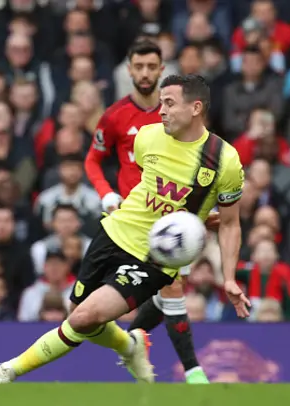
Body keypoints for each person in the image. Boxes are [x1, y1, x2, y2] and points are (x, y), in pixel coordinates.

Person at [0, 74, 251, 384]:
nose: (161, 111)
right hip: (113, 233)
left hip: (154, 257)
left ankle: (7, 372)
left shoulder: (224, 161)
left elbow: (230, 223)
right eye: (161, 102)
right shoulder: (148, 137)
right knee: (79, 314)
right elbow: (151, 192)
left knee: (82, 319)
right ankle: (130, 345)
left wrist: (228, 277)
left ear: (196, 107)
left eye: (170, 103)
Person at [86, 40, 210, 384]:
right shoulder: (114, 116)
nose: (144, 73)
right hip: (130, 218)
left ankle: (192, 371)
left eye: (151, 66)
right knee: (160, 290)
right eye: (138, 66)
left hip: (171, 219)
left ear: (161, 68)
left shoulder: (178, 113)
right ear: (128, 69)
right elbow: (93, 159)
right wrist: (106, 193)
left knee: (171, 286)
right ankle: (135, 343)